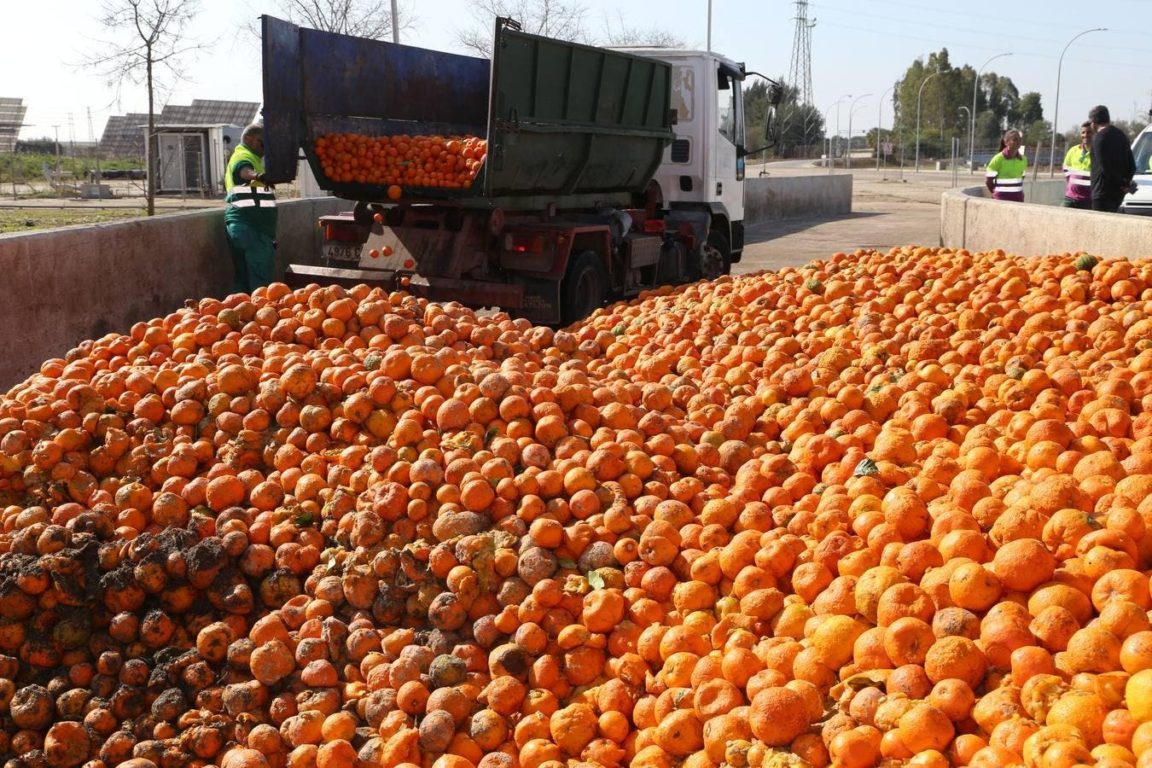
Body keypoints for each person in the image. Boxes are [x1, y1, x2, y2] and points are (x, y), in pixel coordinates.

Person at [224, 124, 278, 294]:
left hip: (240, 226)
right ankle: (262, 317)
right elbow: (243, 171)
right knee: (261, 284)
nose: (265, 150)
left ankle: (237, 316)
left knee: (243, 279)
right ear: (249, 139)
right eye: (263, 144)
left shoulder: (252, 159)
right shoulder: (243, 155)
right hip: (252, 228)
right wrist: (258, 176)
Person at [1088, 105, 1136, 213]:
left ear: (1093, 122)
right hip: (1118, 194)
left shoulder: (1099, 138)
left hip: (1102, 193)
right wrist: (1125, 184)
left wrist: (1122, 183)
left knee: (1101, 227)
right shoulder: (1121, 135)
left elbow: (1105, 168)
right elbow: (1132, 165)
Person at [985, 129, 1026, 201]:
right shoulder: (998, 159)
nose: (1018, 142)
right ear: (1006, 142)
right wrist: (997, 194)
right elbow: (989, 182)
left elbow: (1022, 177)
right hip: (1001, 199)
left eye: (1020, 140)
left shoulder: (1023, 159)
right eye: (1015, 140)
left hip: (1018, 198)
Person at [1061, 121, 1093, 209]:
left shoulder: (1097, 153)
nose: (1085, 135)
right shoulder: (1073, 150)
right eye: (1083, 132)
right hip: (1070, 198)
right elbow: (1066, 168)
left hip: (1088, 200)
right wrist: (1073, 183)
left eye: (1089, 132)